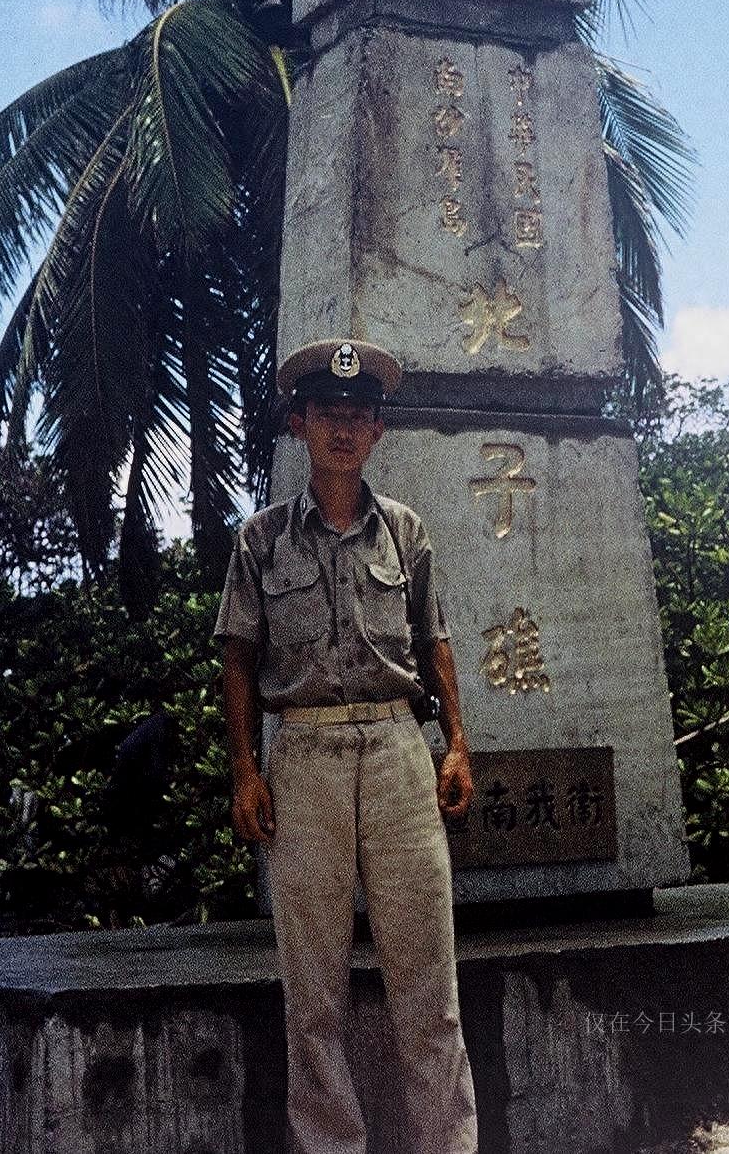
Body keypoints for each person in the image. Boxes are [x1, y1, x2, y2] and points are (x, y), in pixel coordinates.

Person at [214, 337, 480, 1154]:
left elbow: (433, 640)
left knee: (427, 985)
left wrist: (458, 743)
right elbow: (238, 657)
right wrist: (246, 770)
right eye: (327, 413)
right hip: (305, 757)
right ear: (300, 423)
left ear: (376, 432)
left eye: (358, 415)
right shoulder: (260, 540)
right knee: (314, 993)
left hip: (399, 752)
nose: (342, 427)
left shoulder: (404, 531)